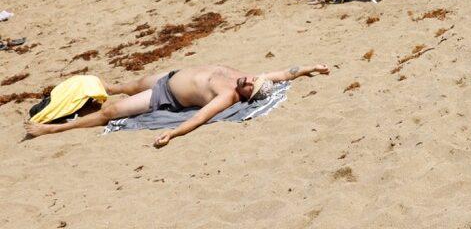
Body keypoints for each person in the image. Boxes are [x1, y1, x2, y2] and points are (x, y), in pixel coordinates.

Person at [24, 64, 329, 146]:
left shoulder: (229, 96)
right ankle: (92, 92)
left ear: (248, 95)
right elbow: (279, 73)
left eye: (251, 84)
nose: (249, 79)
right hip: (169, 75)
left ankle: (50, 130)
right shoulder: (245, 79)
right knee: (122, 86)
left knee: (112, 113)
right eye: (252, 78)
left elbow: (200, 118)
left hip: (164, 96)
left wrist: (174, 133)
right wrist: (308, 69)